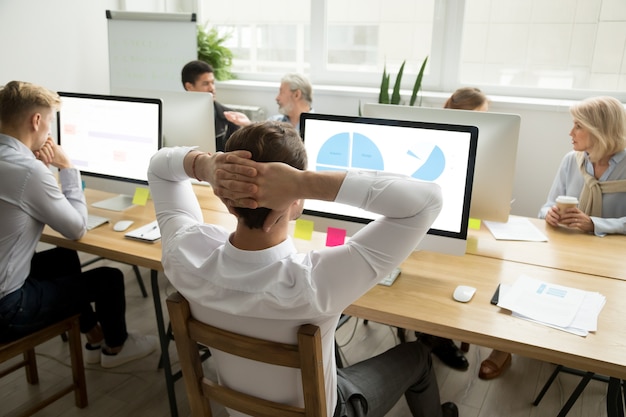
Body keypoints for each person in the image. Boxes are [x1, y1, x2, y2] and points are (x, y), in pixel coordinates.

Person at [148, 121, 459, 417]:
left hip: (237, 410)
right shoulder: (315, 282)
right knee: (418, 355)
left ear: (224, 196)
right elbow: (427, 200)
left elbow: (160, 166)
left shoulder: (184, 256)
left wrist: (206, 165)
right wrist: (303, 183)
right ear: (295, 201)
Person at [0, 80, 157, 369]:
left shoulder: (16, 164)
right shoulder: (27, 172)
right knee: (109, 278)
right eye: (49, 124)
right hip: (7, 310)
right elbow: (76, 229)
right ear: (36, 121)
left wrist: (42, 172)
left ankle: (95, 335)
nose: (49, 132)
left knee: (63, 258)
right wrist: (69, 168)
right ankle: (116, 348)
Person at [417, 87, 489, 373]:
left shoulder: (486, 142)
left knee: (474, 265)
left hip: (470, 219)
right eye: (483, 115)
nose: (488, 121)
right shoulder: (433, 141)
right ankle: (434, 335)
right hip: (431, 217)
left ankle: (443, 331)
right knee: (439, 268)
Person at [540, 95, 626, 233]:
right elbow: (546, 207)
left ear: (600, 131)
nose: (571, 132)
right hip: (570, 243)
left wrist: (594, 224)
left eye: (578, 126)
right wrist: (550, 214)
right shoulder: (571, 160)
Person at [181, 60, 240, 152]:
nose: (212, 88)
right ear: (189, 87)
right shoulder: (178, 116)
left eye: (212, 82)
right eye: (205, 84)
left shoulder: (229, 118)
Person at [224, 73, 313, 133]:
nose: (277, 98)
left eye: (281, 92)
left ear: (297, 94)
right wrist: (247, 124)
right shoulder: (274, 121)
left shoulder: (317, 127)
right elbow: (261, 132)